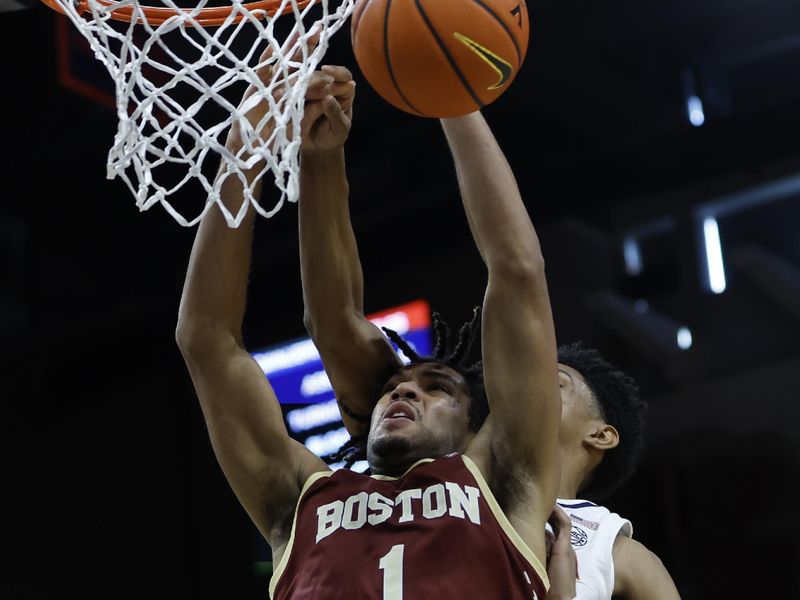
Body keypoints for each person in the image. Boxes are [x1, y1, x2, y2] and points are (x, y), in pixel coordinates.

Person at [176, 41, 563, 599]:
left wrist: (446, 89)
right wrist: (244, 147)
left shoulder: (505, 480)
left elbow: (518, 269)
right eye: (396, 385)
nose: (404, 390)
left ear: (480, 426)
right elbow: (204, 340)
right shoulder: (301, 501)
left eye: (437, 389)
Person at [297, 65, 681, 599]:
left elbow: (519, 270)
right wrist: (320, 161)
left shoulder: (616, 550)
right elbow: (335, 321)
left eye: (555, 380)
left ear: (600, 434)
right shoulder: (450, 463)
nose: (526, 377)